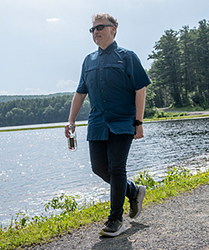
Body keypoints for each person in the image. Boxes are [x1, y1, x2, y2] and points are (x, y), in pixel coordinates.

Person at [65, 13, 151, 237]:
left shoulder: (128, 57)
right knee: (99, 168)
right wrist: (71, 120)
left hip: (122, 122)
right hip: (97, 124)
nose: (95, 32)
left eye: (100, 27)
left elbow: (140, 89)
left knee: (116, 167)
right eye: (92, 29)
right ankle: (133, 191)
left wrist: (138, 122)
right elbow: (80, 93)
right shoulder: (88, 61)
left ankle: (115, 219)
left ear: (114, 29)